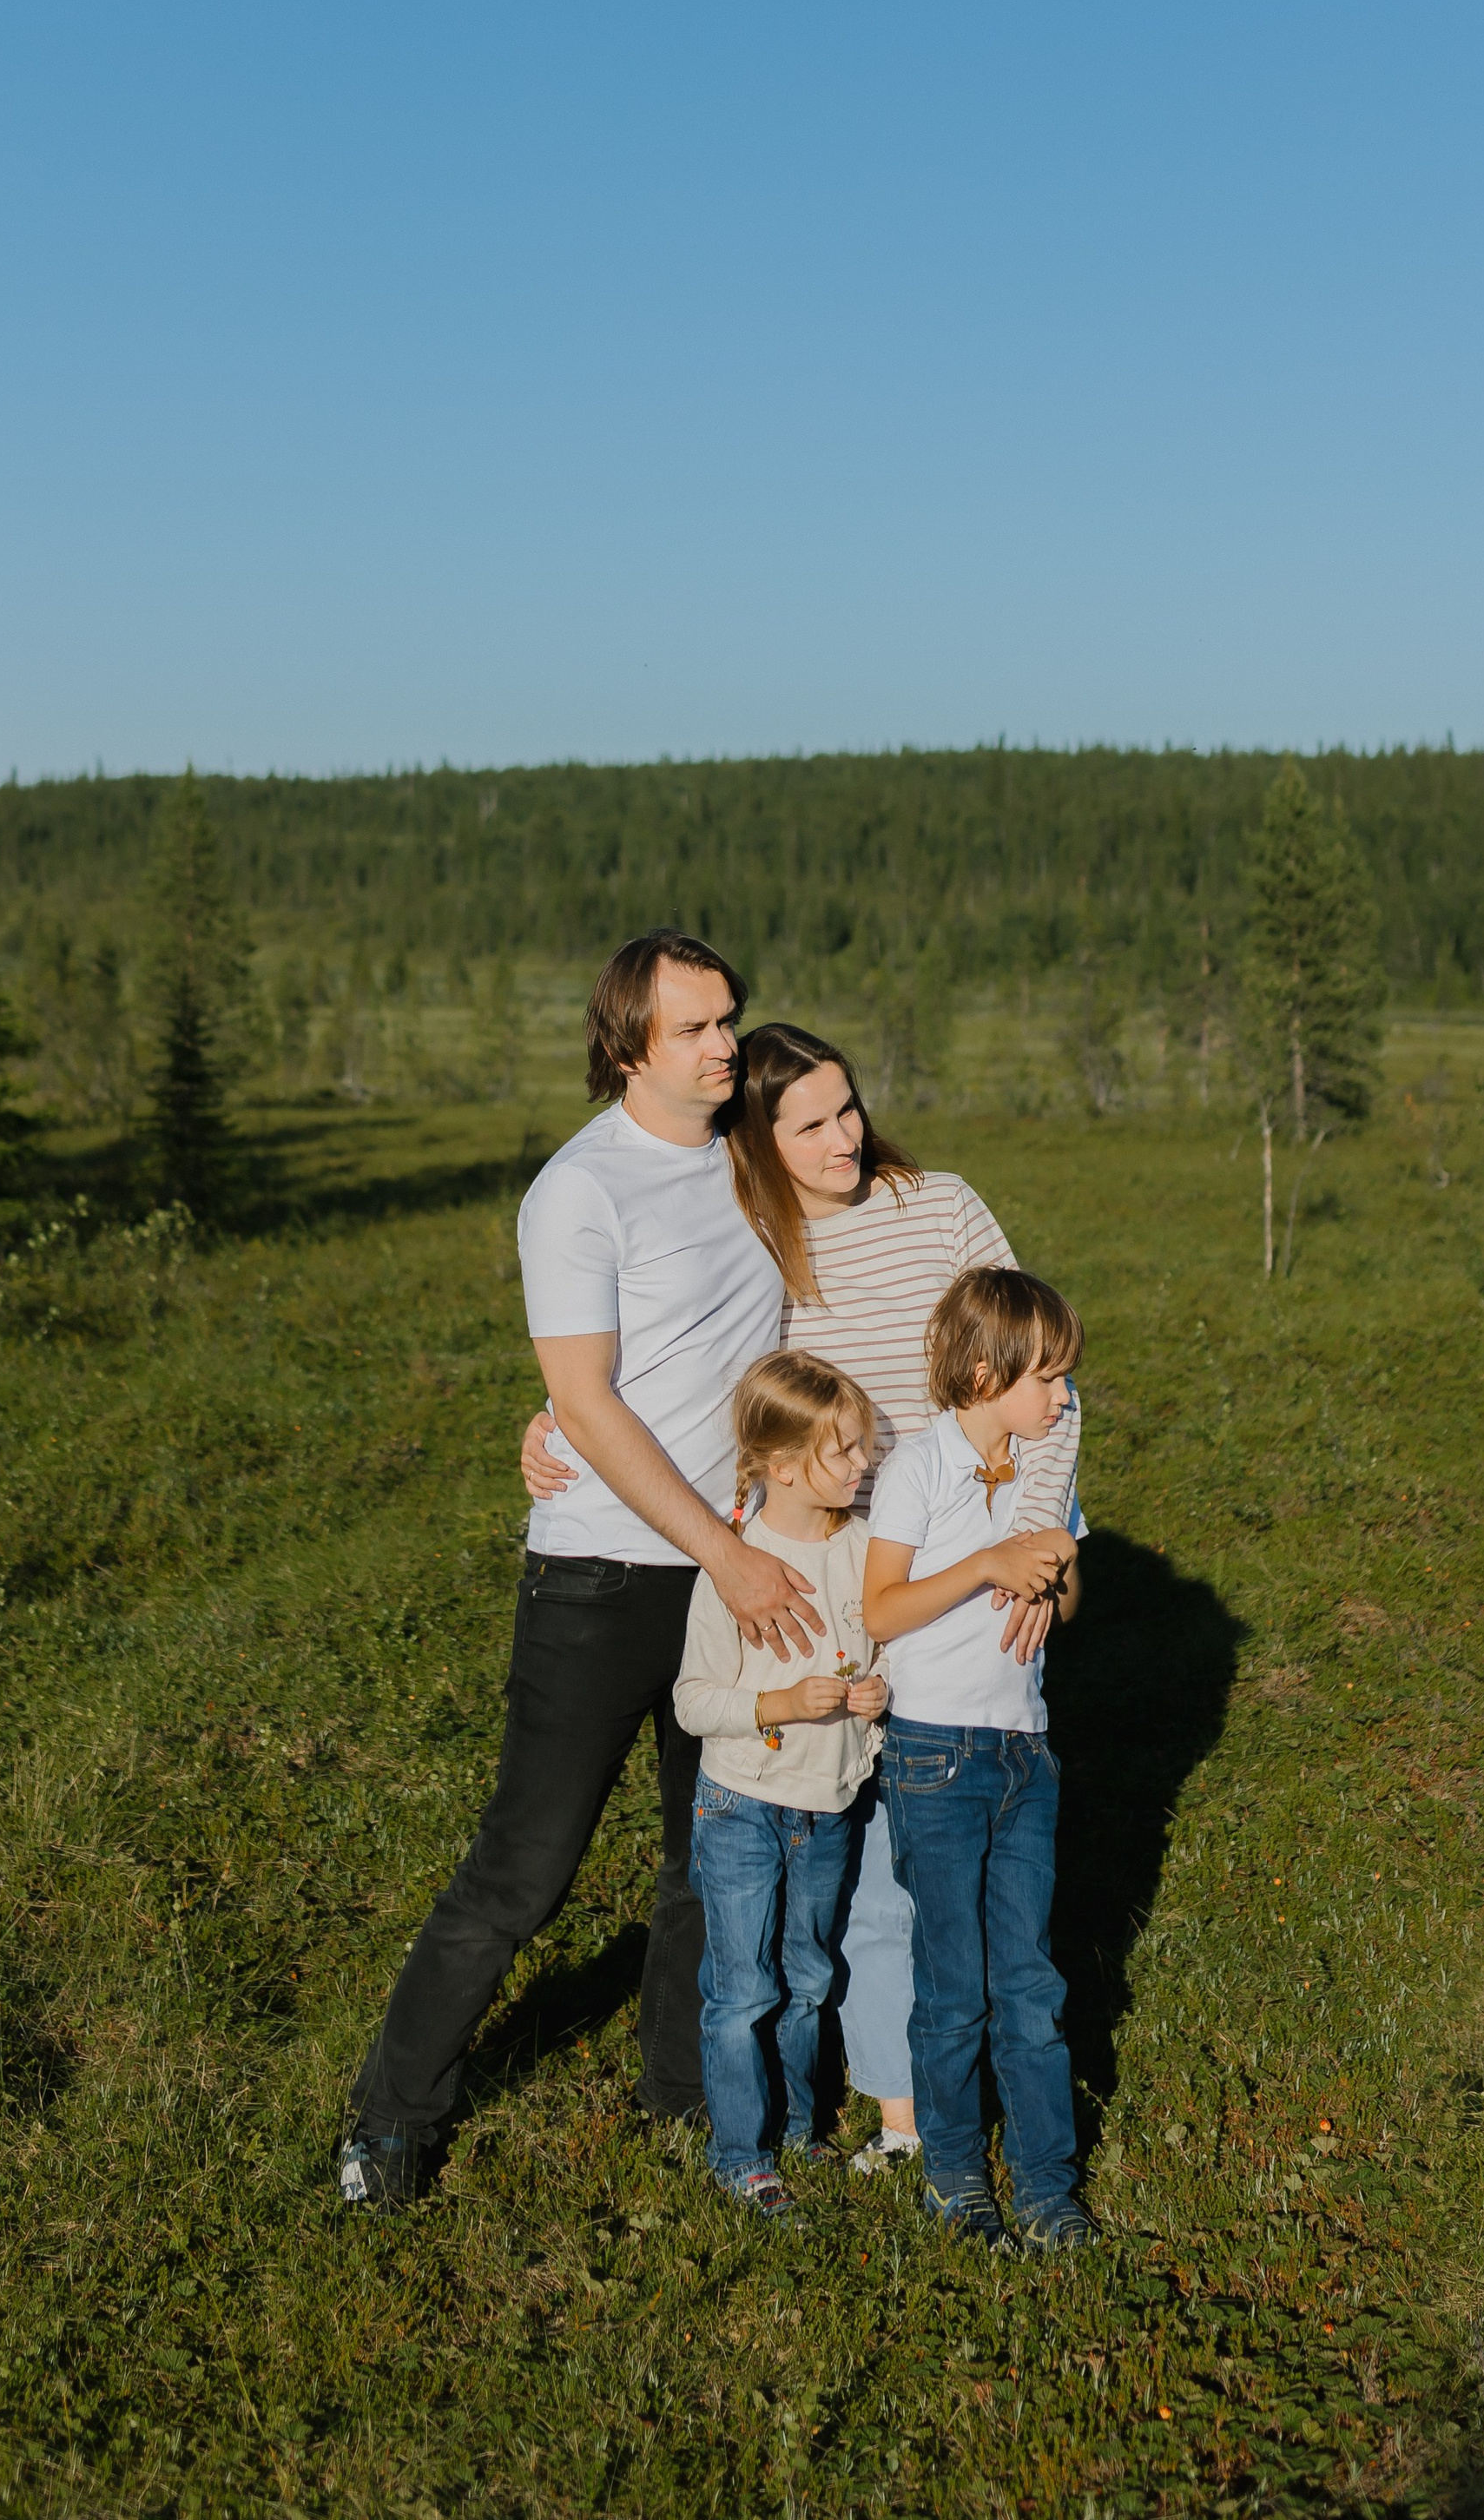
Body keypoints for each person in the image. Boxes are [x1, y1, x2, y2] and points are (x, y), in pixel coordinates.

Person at [531, 1018, 1082, 2171]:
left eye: (850, 1108)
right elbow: (675, 1369)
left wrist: (1039, 1542)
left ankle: (949, 2083)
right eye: (812, 1125)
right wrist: (557, 1418)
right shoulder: (751, 1238)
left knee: (949, 1846)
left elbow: (1046, 1385)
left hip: (972, 1561)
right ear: (757, 1144)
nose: (846, 1139)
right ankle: (891, 2106)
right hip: (841, 1570)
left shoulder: (943, 1208)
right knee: (857, 1851)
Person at [339, 931, 822, 2210]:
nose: (725, 1047)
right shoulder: (579, 1191)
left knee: (709, 1859)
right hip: (605, 1580)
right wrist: (721, 1550)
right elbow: (590, 1401)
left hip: (736, 1567)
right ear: (625, 1047)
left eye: (729, 1020)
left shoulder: (750, 1155)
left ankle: (682, 2092)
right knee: (525, 1871)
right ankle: (390, 2119)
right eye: (694, 1029)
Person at [863, 1265, 1090, 2252]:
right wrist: (987, 1565)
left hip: (1023, 1754)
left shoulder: (1047, 1478)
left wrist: (1054, 1573)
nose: (1063, 1397)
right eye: (1048, 1377)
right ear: (985, 1374)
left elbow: (1068, 1604)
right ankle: (955, 2174)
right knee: (952, 1986)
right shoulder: (919, 1468)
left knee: (1030, 1985)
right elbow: (881, 1610)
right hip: (933, 1757)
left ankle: (1047, 2184)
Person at [672, 1350, 890, 2214]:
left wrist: (877, 1693)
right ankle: (741, 2154)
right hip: (742, 1805)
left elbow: (884, 1650)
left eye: (863, 1445)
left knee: (808, 1977)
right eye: (846, 1451)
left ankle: (799, 2129)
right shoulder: (735, 1564)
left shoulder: (867, 1552)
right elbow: (693, 1701)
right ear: (786, 1466)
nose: (864, 1462)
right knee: (743, 1990)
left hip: (830, 1805)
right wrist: (781, 1704)